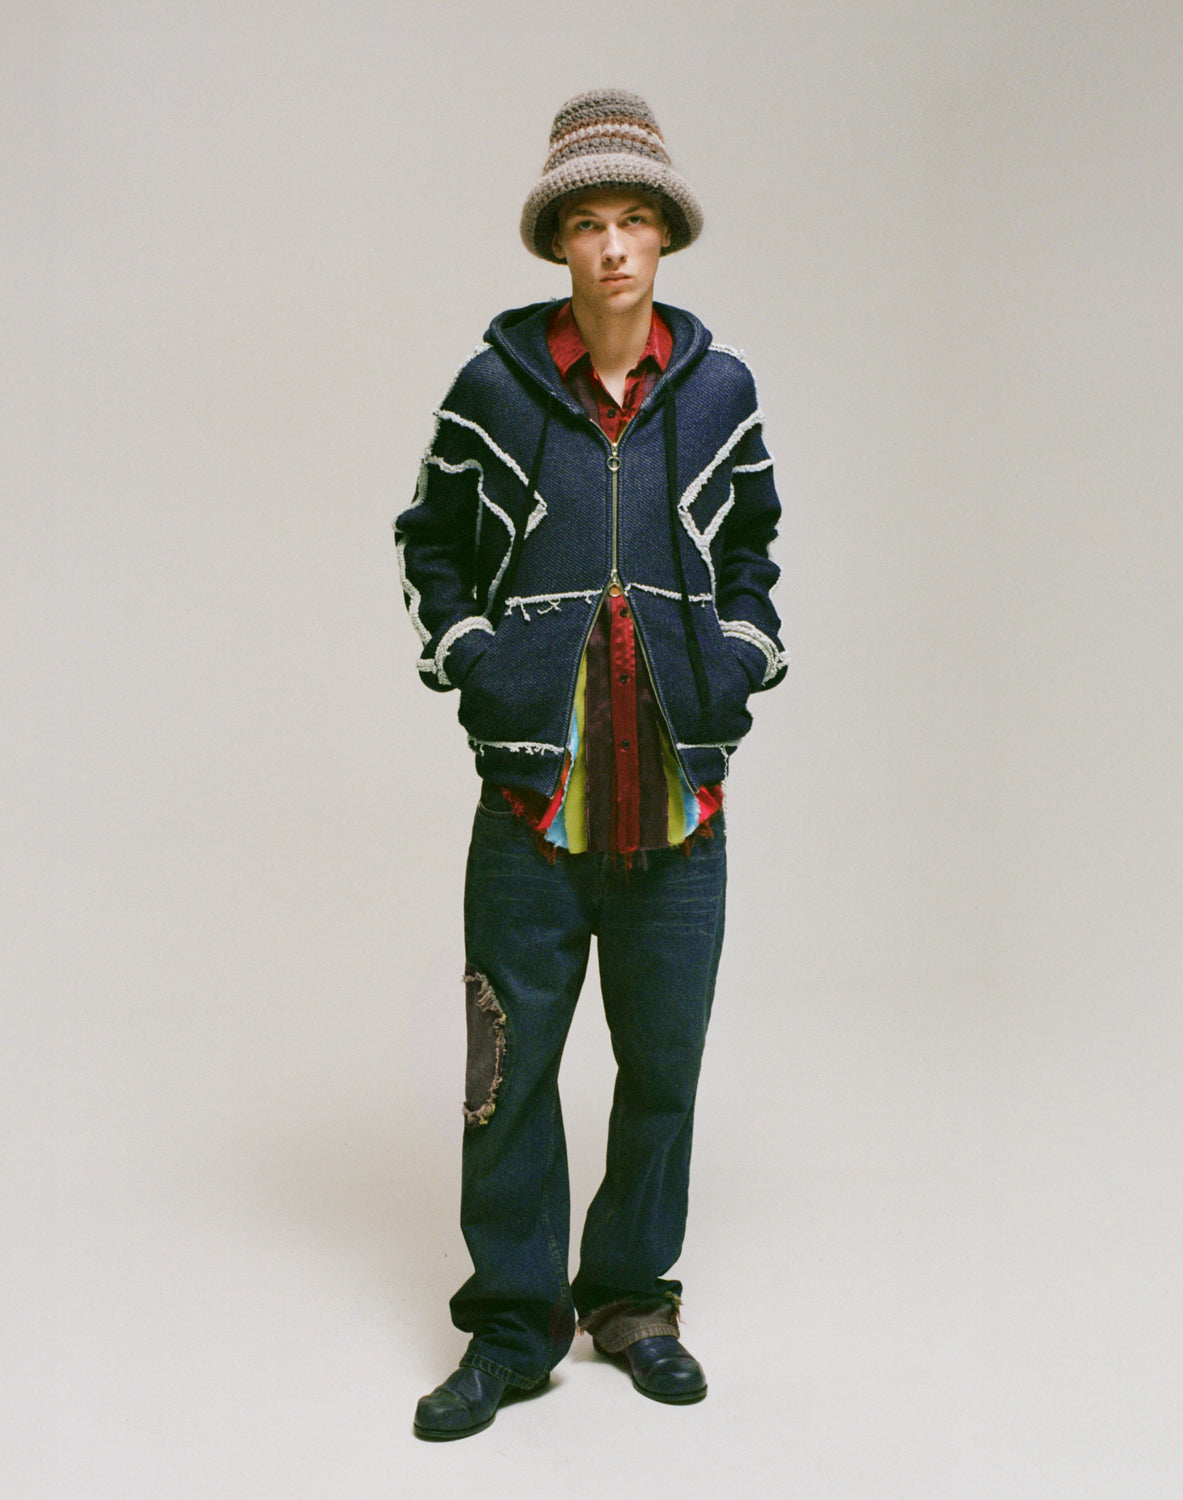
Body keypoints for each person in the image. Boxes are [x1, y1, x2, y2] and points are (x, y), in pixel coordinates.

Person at [394, 88, 787, 1440]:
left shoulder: (721, 392)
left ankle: (630, 1301)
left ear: (664, 234)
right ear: (557, 243)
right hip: (532, 805)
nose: (613, 246)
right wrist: (476, 658)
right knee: (505, 1076)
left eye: (633, 219)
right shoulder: (493, 391)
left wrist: (739, 655)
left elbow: (756, 548)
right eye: (586, 224)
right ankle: (513, 1327)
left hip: (680, 805)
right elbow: (428, 542)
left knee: (662, 1071)